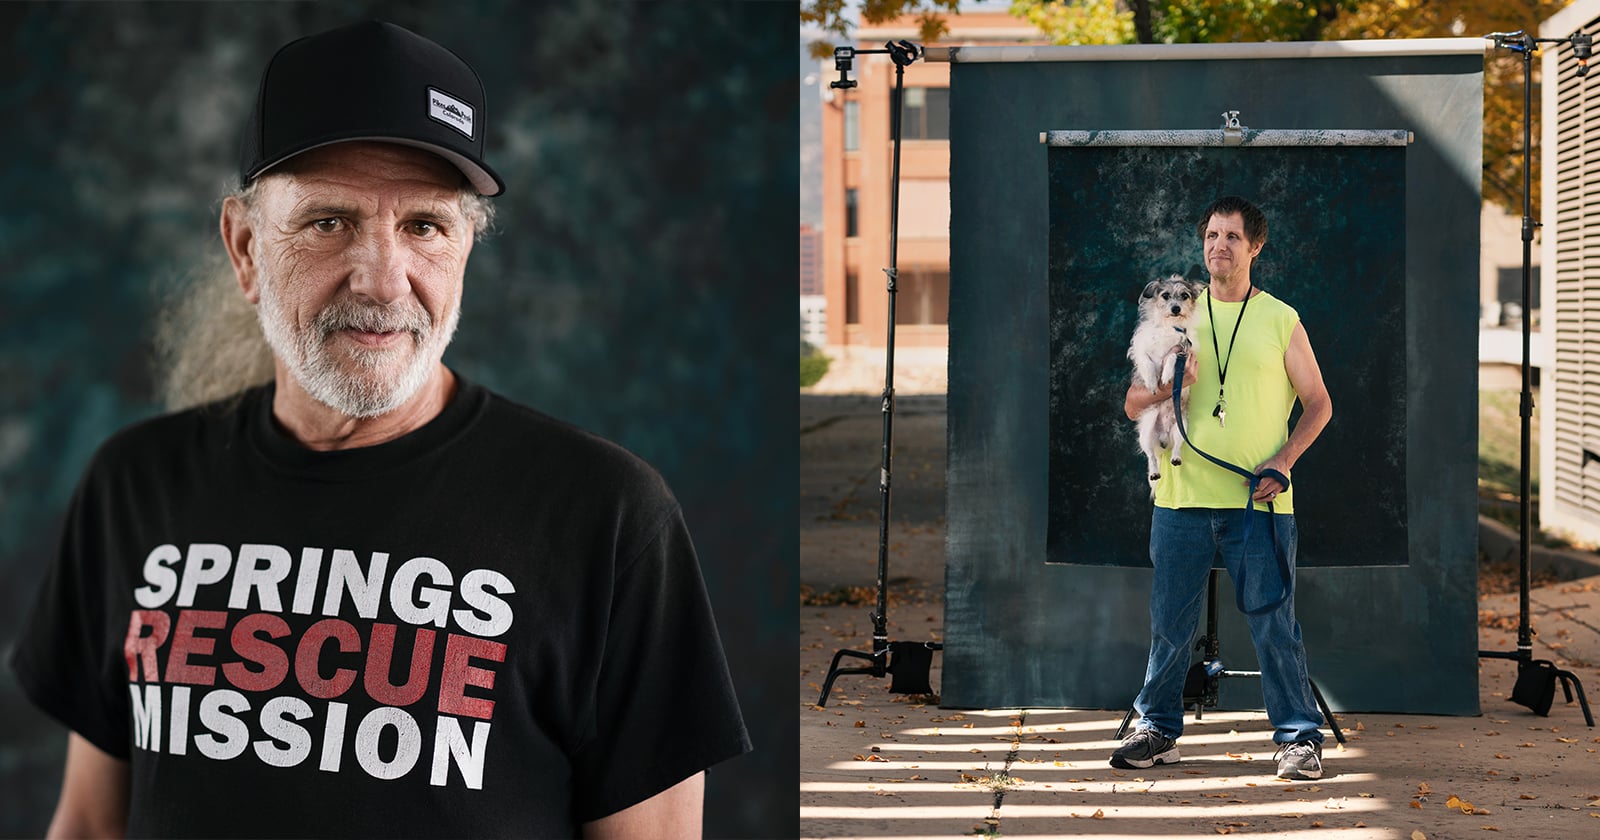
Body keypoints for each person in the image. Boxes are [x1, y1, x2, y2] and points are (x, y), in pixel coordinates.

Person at [10, 20, 749, 838]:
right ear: (246, 247)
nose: (382, 278)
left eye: (425, 225)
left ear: (466, 245)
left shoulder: (605, 519)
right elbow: (87, 824)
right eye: (329, 222)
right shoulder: (136, 485)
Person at [1112, 195, 1333, 781]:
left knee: (1274, 623)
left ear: (1255, 247)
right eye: (1211, 235)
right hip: (1181, 499)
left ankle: (1298, 739)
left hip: (1257, 501)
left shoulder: (1281, 318)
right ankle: (1156, 728)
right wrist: (1168, 389)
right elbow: (1133, 401)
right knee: (1170, 625)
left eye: (1233, 237)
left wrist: (1284, 459)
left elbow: (1319, 404)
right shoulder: (1175, 312)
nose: (1219, 246)